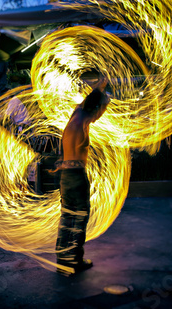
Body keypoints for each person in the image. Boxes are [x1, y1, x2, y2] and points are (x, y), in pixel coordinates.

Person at [55, 73, 110, 275]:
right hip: (76, 176)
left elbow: (91, 107)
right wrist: (101, 90)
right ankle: (74, 261)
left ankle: (63, 257)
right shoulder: (83, 119)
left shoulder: (74, 119)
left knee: (67, 217)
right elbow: (94, 107)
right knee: (79, 218)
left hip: (65, 177)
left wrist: (99, 91)